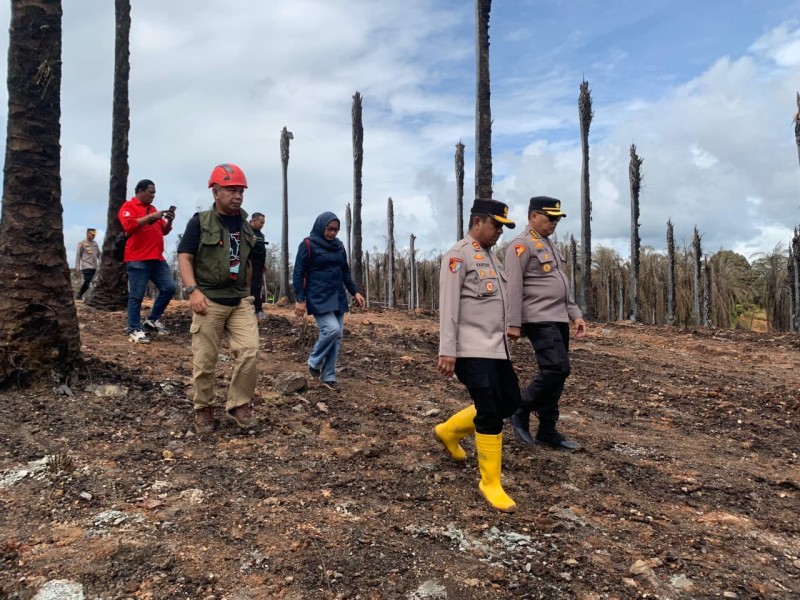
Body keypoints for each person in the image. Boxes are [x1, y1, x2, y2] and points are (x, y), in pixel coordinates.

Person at [435, 198, 521, 513]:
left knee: (510, 402)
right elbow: (449, 305)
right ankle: (490, 482)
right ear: (477, 223)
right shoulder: (458, 256)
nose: (500, 231)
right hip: (470, 349)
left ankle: (447, 431)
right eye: (496, 224)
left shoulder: (491, 258)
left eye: (503, 226)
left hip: (497, 348)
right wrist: (447, 348)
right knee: (489, 410)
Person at [177, 163, 260, 434]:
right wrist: (193, 291)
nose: (237, 196)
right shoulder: (200, 222)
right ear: (215, 192)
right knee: (205, 359)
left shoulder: (247, 227)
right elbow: (185, 257)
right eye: (231, 190)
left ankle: (239, 403)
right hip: (208, 299)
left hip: (239, 300)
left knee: (249, 351)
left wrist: (249, 295)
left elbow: (246, 263)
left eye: (241, 191)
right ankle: (203, 407)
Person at [504, 196, 587, 450]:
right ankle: (520, 408)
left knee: (558, 375)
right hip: (539, 318)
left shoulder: (550, 245)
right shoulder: (520, 245)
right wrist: (513, 322)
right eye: (550, 218)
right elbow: (513, 286)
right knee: (556, 369)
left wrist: (575, 314)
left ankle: (548, 430)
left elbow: (561, 285)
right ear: (533, 216)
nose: (554, 223)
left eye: (557, 219)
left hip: (559, 317)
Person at [293, 212, 365, 392]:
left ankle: (329, 376)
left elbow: (345, 272)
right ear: (321, 226)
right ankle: (314, 361)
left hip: (337, 296)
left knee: (337, 335)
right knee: (331, 329)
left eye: (336, 230)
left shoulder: (339, 246)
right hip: (318, 296)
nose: (332, 233)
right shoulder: (308, 244)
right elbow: (298, 273)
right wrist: (300, 299)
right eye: (329, 229)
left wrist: (355, 292)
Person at [118, 179, 176, 343]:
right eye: (151, 192)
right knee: (136, 296)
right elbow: (129, 225)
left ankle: (152, 319)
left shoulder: (153, 209)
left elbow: (163, 231)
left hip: (157, 258)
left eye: (154, 192)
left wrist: (169, 220)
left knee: (169, 288)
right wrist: (150, 217)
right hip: (137, 258)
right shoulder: (128, 207)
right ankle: (134, 328)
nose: (153, 195)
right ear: (141, 191)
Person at [249, 212, 267, 319]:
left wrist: (263, 264)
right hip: (249, 264)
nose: (262, 225)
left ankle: (258, 309)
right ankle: (255, 309)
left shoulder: (260, 234)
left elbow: (261, 250)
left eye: (263, 223)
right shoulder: (247, 231)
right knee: (251, 287)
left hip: (259, 264)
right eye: (261, 222)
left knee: (257, 287)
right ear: (254, 220)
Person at [75, 228, 101, 300]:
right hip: (86, 266)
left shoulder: (95, 244)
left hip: (94, 266)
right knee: (88, 280)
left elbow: (99, 254)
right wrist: (77, 266)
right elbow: (78, 255)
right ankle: (79, 294)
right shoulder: (82, 243)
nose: (93, 236)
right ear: (87, 233)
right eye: (92, 234)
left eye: (94, 234)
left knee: (93, 282)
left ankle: (88, 296)